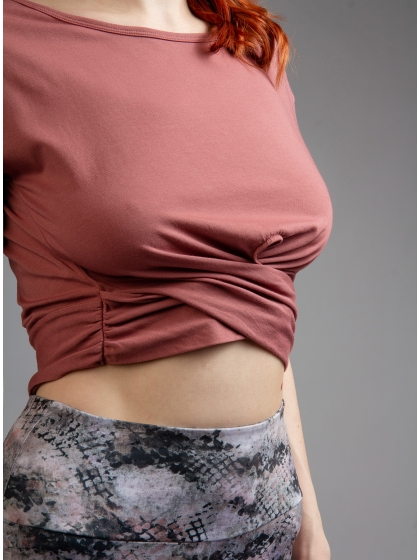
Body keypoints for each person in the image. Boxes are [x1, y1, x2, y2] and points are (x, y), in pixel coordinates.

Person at [3, 0, 333, 558]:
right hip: (95, 509)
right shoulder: (15, 41)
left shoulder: (250, 44)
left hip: (264, 505)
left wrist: (309, 515)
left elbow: (263, 310)